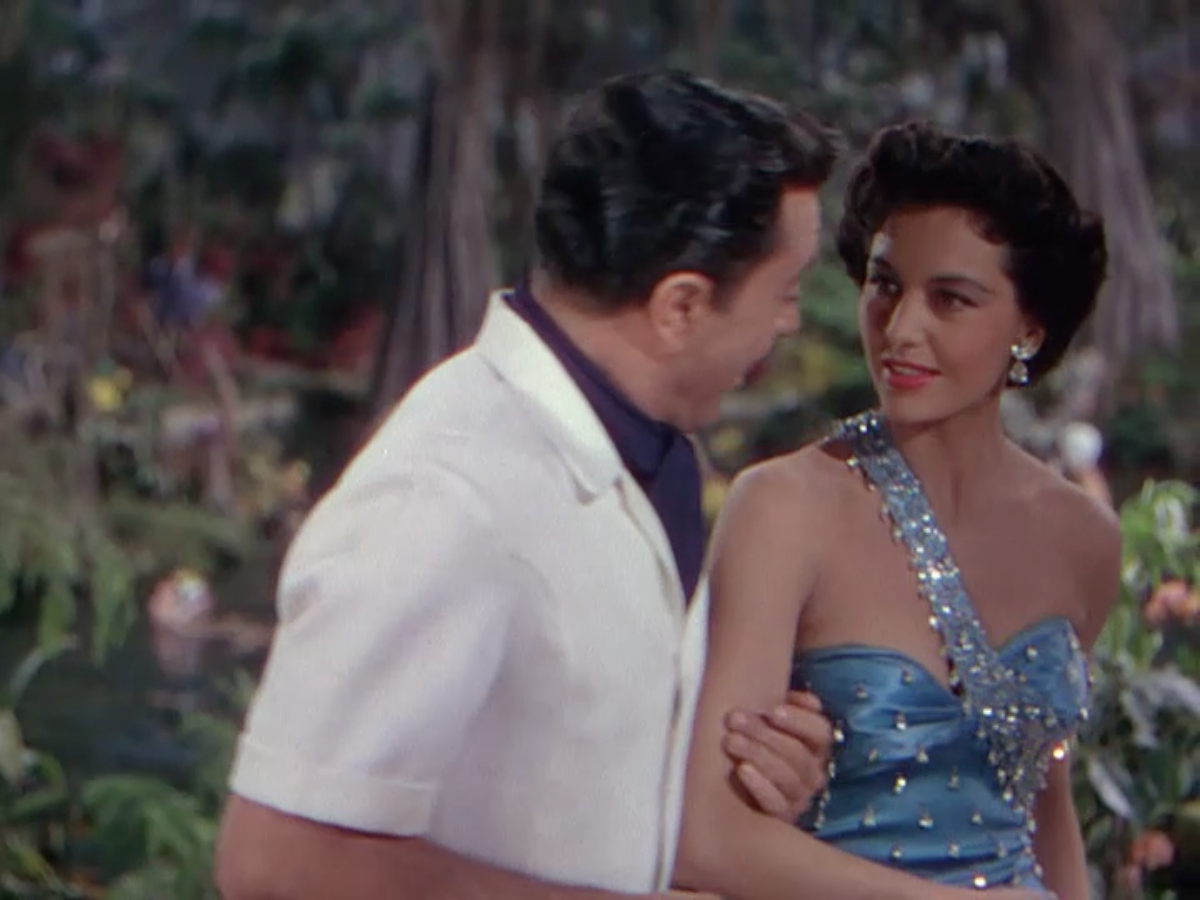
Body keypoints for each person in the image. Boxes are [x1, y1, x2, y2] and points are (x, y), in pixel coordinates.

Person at [214, 69, 843, 900]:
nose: (789, 324)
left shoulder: (653, 460)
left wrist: (746, 784)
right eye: (784, 293)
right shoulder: (445, 495)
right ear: (681, 307)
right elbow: (276, 863)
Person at [675, 122, 1119, 900]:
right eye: (885, 285)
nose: (901, 329)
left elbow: (1043, 798)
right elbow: (705, 839)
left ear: (1029, 328)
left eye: (950, 299)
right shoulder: (785, 508)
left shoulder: (1084, 537)